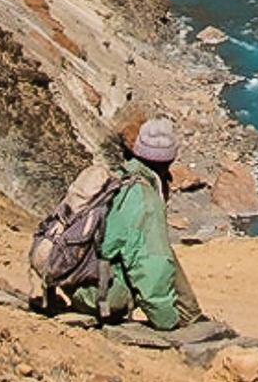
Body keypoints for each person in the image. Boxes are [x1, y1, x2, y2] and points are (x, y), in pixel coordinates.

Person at [58, 118, 217, 339]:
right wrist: (168, 322)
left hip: (77, 285)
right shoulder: (145, 200)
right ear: (168, 161)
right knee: (157, 252)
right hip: (102, 295)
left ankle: (191, 315)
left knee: (160, 250)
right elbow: (150, 269)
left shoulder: (118, 181)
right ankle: (190, 318)